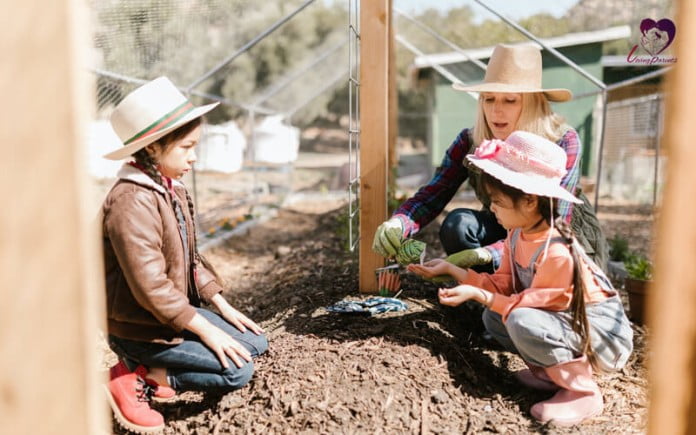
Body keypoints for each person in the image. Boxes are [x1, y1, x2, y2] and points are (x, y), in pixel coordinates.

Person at [408, 131, 633, 426]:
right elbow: (504, 287)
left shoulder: (557, 252)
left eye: (498, 201)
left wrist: (479, 295)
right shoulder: (517, 235)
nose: (491, 209)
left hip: (602, 338)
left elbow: (524, 305)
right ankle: (550, 375)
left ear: (528, 201)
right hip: (567, 325)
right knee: (495, 319)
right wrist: (453, 270)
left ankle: (583, 393)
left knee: (520, 319)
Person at [100, 77, 268, 433]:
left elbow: (188, 260)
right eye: (185, 147)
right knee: (238, 370)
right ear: (153, 148)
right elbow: (152, 288)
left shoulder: (168, 188)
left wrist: (222, 306)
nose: (193, 157)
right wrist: (206, 330)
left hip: (165, 320)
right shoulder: (131, 202)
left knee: (255, 342)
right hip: (140, 329)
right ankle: (136, 377)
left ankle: (145, 369)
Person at [372, 43, 608, 273]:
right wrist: (399, 222)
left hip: (557, 241)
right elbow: (433, 195)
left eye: (510, 100)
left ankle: (504, 295)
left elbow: (554, 223)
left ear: (532, 103)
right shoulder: (470, 140)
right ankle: (483, 294)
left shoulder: (563, 141)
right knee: (458, 224)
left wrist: (486, 254)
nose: (496, 111)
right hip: (503, 224)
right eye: (489, 98)